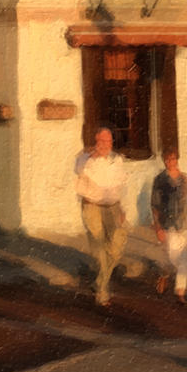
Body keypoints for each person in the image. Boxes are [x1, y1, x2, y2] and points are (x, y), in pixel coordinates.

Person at [75, 127, 129, 307]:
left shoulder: (117, 160)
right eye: (102, 141)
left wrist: (122, 209)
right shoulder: (84, 159)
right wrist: (93, 157)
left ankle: (99, 282)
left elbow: (121, 186)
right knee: (99, 247)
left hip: (113, 207)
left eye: (108, 141)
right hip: (92, 207)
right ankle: (102, 291)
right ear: (95, 142)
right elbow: (80, 170)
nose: (105, 145)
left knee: (116, 247)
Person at [151, 149, 187, 303]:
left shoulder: (184, 178)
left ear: (177, 159)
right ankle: (164, 272)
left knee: (183, 257)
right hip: (169, 222)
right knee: (173, 256)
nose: (170, 162)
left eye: (172, 159)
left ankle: (180, 291)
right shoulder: (160, 180)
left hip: (186, 221)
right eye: (167, 159)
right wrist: (158, 226)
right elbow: (155, 205)